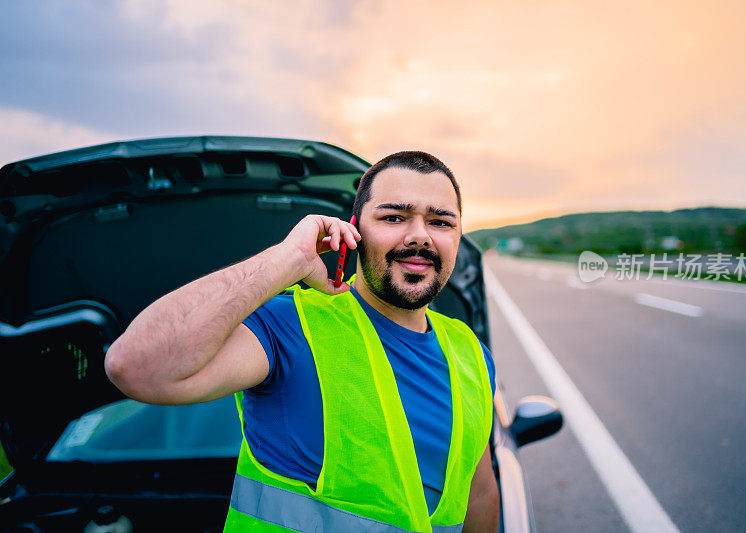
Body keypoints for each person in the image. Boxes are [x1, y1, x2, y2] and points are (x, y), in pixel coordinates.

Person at [105, 151, 499, 532]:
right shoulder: (289, 324)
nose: (419, 236)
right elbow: (137, 366)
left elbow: (478, 494)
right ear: (355, 229)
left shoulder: (471, 355)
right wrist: (288, 258)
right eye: (394, 217)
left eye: (441, 222)